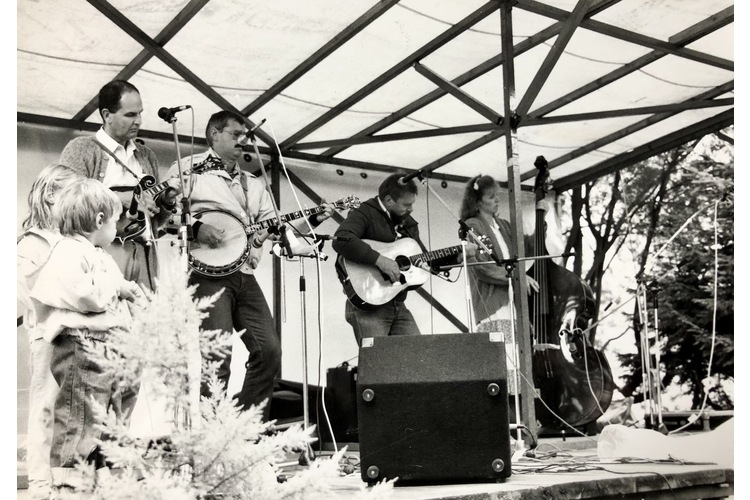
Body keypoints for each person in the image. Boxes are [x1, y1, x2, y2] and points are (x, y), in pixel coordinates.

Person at [168, 110, 333, 422]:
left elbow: (276, 226)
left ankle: (244, 428)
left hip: (244, 274)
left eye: (245, 136)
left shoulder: (254, 184)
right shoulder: (188, 169)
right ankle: (211, 436)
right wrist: (197, 228)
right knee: (217, 357)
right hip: (207, 274)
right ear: (214, 135)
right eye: (235, 135)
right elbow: (164, 214)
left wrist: (310, 220)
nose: (243, 142)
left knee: (269, 351)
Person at [29, 178, 145, 496]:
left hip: (107, 347)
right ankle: (68, 485)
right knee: (79, 417)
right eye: (115, 220)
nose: (117, 229)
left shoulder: (98, 254)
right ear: (98, 220)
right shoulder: (67, 252)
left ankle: (100, 479)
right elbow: (83, 294)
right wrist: (118, 287)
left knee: (106, 417)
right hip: (83, 345)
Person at [59, 79, 173, 291]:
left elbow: (155, 222)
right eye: (130, 115)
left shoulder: (147, 156)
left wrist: (165, 203)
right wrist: (120, 200)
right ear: (106, 115)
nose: (138, 121)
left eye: (140, 113)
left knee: (147, 320)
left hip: (144, 254)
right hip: (100, 254)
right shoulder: (81, 148)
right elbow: (66, 205)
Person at [332, 173, 466, 344]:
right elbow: (342, 239)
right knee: (378, 364)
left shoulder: (408, 223)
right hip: (368, 306)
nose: (411, 209)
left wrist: (457, 256)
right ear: (388, 200)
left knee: (415, 357)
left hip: (398, 304)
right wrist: (379, 260)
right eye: (406, 204)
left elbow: (423, 260)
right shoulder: (364, 212)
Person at [17, 165, 81, 500]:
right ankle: (40, 483)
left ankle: (65, 480)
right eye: (71, 195)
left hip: (77, 338)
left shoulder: (75, 241)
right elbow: (29, 293)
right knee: (44, 407)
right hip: (46, 335)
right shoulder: (31, 242)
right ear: (52, 194)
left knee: (70, 410)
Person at [459, 174, 543, 333]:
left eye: (497, 195)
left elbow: (526, 247)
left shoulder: (503, 225)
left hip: (513, 300)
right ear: (477, 203)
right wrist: (518, 277)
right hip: (492, 304)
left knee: (517, 352)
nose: (497, 199)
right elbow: (482, 266)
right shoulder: (473, 226)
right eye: (491, 197)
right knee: (504, 353)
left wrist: (541, 217)